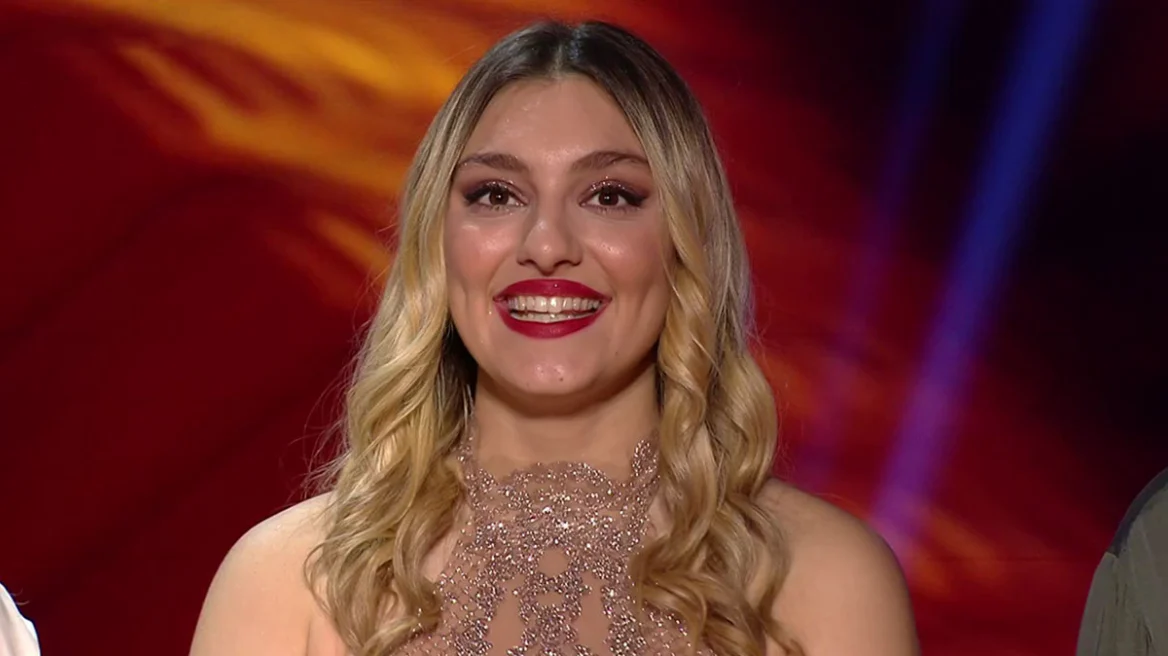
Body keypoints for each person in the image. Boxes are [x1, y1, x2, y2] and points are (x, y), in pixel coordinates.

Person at [190, 20, 918, 656]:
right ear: (437, 244)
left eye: (610, 196)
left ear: (685, 241)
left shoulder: (824, 579)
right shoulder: (289, 580)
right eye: (496, 195)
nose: (546, 245)